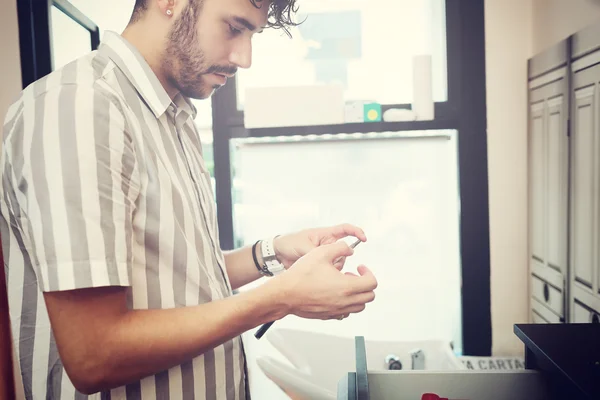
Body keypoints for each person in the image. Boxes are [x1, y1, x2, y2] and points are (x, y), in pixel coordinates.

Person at [0, 0, 378, 398]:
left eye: (252, 35)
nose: (244, 58)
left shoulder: (173, 117)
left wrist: (273, 253)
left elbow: (176, 281)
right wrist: (281, 298)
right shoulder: (78, 108)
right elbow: (94, 353)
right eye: (234, 28)